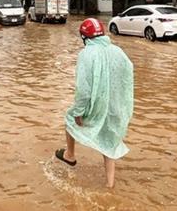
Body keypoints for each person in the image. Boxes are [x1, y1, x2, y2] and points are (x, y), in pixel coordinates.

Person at [55, 18, 134, 188]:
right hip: (116, 106)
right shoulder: (118, 51)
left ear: (85, 37)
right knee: (110, 140)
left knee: (69, 118)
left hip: (96, 106)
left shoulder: (86, 54)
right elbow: (127, 76)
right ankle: (110, 184)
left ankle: (70, 155)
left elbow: (83, 89)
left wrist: (78, 112)